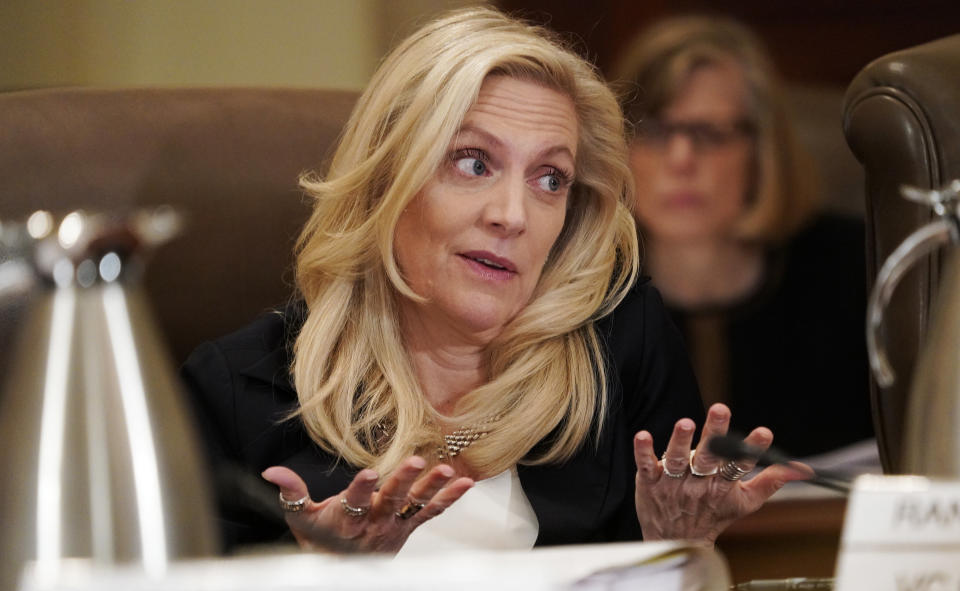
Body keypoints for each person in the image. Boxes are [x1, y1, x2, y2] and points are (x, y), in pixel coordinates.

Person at [181, 6, 807, 556]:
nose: (512, 215)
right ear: (385, 180)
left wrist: (679, 551)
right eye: (473, 162)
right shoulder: (236, 391)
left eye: (550, 179)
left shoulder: (621, 349)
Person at [613, 16, 874, 460]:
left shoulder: (858, 268)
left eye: (710, 134)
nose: (680, 160)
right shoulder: (585, 295)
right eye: (654, 131)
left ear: (762, 151)